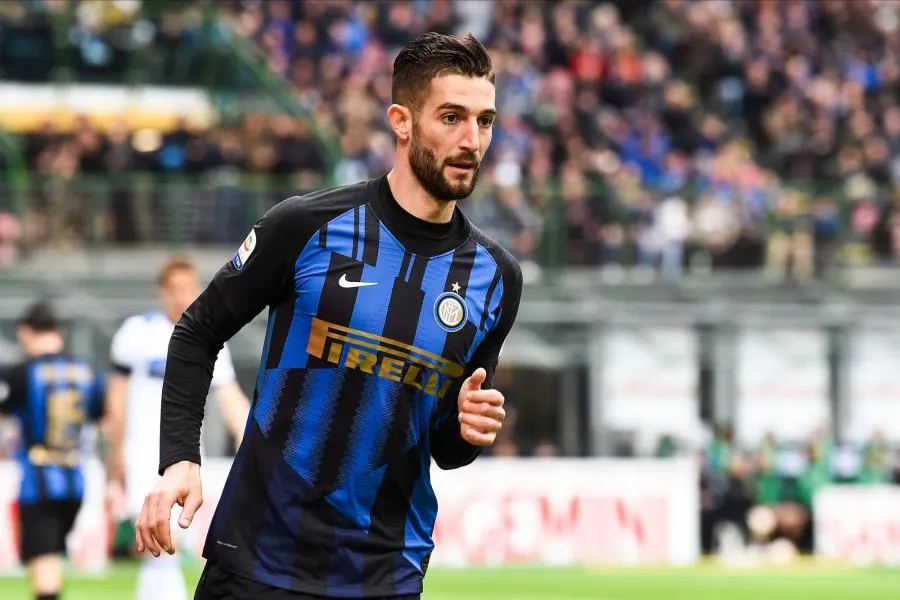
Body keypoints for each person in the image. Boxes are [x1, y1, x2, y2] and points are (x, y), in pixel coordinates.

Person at [137, 31, 522, 600]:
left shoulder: (497, 277)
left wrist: (469, 429)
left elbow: (444, 446)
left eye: (485, 121)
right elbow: (197, 331)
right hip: (258, 560)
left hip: (384, 573)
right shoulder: (305, 226)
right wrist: (179, 460)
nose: (472, 139)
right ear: (402, 121)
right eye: (451, 117)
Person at [106, 256, 251, 600]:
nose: (181, 296)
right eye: (174, 289)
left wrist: (252, 442)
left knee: (167, 542)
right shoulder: (137, 333)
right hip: (142, 452)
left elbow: (231, 399)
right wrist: (116, 455)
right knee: (156, 541)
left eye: (187, 288)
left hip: (186, 455)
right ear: (162, 292)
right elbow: (117, 398)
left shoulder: (211, 338)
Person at [0, 301, 106, 600]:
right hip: (76, 479)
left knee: (43, 565)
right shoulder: (87, 371)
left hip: (39, 481)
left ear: (25, 332)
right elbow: (102, 419)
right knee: (51, 559)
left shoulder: (21, 373)